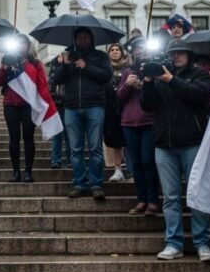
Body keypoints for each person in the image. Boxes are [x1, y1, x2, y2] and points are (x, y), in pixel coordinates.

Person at [139, 38, 210, 263]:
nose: (176, 57)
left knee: (197, 195)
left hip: (192, 143)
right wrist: (148, 81)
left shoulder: (199, 74)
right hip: (164, 145)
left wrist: (170, 79)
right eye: (172, 53)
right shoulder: (160, 76)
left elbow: (198, 95)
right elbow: (147, 105)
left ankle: (203, 243)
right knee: (171, 198)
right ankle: (173, 243)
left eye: (180, 53)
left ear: (189, 55)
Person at [53, 27, 112, 200]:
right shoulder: (68, 57)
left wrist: (86, 66)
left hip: (95, 106)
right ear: (75, 40)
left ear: (91, 39)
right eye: (80, 38)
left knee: (95, 148)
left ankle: (96, 184)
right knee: (75, 150)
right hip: (71, 107)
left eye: (86, 37)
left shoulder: (100, 56)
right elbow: (57, 80)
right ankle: (79, 183)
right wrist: (64, 65)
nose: (83, 40)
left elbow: (106, 76)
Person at [117, 37, 160, 216]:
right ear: (133, 52)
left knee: (148, 161)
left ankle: (153, 201)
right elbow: (119, 97)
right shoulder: (127, 72)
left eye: (142, 48)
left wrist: (145, 86)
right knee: (136, 164)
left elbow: (158, 95)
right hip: (129, 123)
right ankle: (141, 200)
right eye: (136, 49)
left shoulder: (154, 70)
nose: (139, 51)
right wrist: (127, 85)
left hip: (148, 122)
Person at [0, 34, 46, 183]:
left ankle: (28, 171)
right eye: (18, 44)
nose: (21, 46)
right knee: (14, 138)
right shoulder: (8, 60)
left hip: (28, 105)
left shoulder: (35, 63)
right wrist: (4, 69)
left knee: (28, 137)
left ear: (28, 46)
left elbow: (41, 82)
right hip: (10, 104)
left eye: (23, 44)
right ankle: (16, 171)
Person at [105, 43, 129, 182]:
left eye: (117, 50)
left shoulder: (128, 67)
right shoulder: (105, 69)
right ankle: (117, 169)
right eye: (112, 50)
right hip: (111, 108)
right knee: (115, 141)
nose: (114, 52)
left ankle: (130, 168)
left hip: (127, 106)